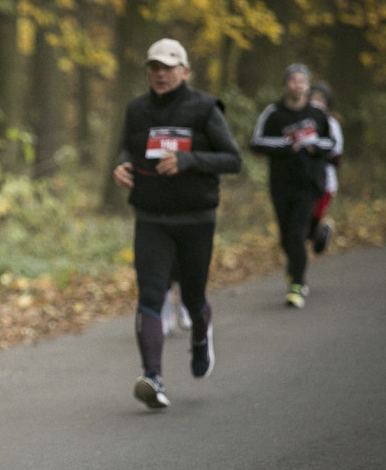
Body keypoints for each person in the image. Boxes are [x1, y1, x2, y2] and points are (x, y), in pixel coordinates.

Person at [113, 38, 242, 409]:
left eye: (168, 67)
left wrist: (188, 161)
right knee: (151, 294)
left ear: (184, 71)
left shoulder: (204, 108)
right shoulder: (137, 109)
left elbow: (232, 160)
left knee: (193, 297)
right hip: (151, 217)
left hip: (196, 218)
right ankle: (152, 377)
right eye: (154, 67)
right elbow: (128, 148)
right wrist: (122, 166)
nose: (160, 74)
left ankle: (201, 337)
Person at [249, 64, 336, 308]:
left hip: (309, 183)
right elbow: (256, 143)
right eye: (293, 81)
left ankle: (296, 284)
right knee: (286, 236)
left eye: (302, 81)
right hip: (281, 183)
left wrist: (314, 147)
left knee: (297, 233)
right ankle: (296, 267)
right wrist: (287, 146)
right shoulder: (273, 113)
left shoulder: (318, 114)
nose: (298, 86)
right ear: (286, 84)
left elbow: (331, 143)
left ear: (308, 86)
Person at [306, 82, 344, 254]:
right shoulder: (303, 120)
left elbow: (336, 156)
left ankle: (322, 231)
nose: (315, 102)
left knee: (314, 218)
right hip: (303, 179)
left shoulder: (331, 124)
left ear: (327, 102)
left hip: (325, 181)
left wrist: (316, 151)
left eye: (320, 99)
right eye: (312, 98)